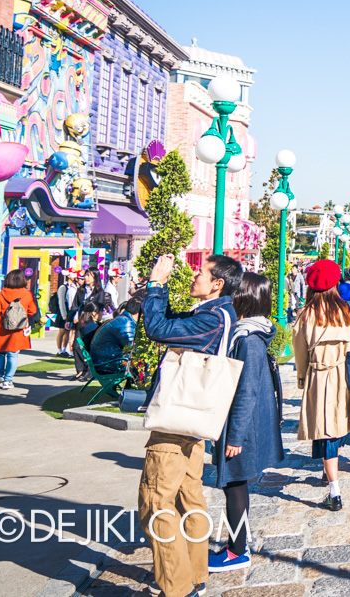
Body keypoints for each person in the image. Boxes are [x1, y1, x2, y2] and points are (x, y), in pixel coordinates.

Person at [138, 253, 242, 597]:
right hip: (192, 422)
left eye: (201, 272)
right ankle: (195, 574)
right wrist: (157, 293)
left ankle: (177, 587)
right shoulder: (216, 314)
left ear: (217, 284)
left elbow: (157, 329)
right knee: (188, 498)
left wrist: (156, 285)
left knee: (156, 503)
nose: (194, 276)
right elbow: (168, 323)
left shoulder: (212, 317)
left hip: (175, 423)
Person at [207, 273, 284, 573]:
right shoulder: (248, 332)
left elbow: (247, 389)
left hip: (244, 427)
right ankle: (236, 546)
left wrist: (235, 436)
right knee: (235, 486)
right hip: (243, 424)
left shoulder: (248, 338)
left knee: (235, 485)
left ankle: (237, 551)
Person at [292, 259, 350, 511]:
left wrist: (302, 377)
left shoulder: (306, 314)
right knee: (340, 424)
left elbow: (300, 352)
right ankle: (330, 471)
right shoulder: (349, 310)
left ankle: (334, 490)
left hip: (320, 375)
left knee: (325, 428)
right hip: (345, 374)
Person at [0, 269, 37, 389]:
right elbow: (33, 311)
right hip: (18, 328)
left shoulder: (1, 294)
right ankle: (8, 381)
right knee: (13, 354)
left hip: (2, 328)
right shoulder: (27, 294)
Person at [90, 296, 136, 376]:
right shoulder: (125, 322)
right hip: (108, 364)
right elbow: (130, 346)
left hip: (104, 361)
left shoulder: (121, 320)